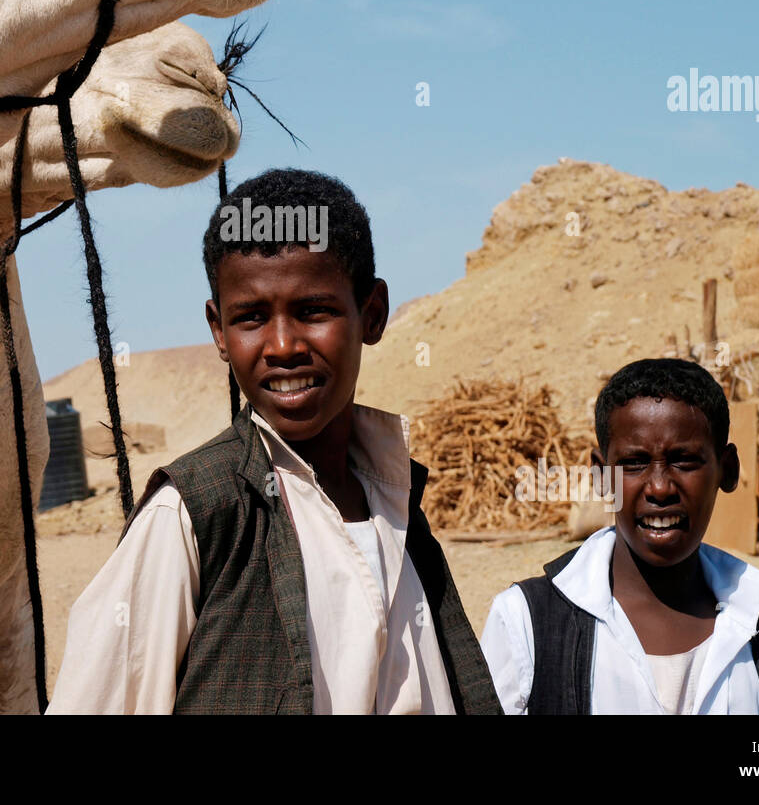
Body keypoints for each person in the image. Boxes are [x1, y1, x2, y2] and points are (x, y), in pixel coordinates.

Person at [48, 168, 498, 714]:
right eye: (252, 318)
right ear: (219, 331)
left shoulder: (396, 504)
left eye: (313, 311)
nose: (282, 345)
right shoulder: (193, 514)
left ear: (372, 315)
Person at [481, 357, 759, 714]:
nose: (659, 487)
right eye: (634, 463)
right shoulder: (528, 625)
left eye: (684, 460)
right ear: (600, 477)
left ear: (728, 470)